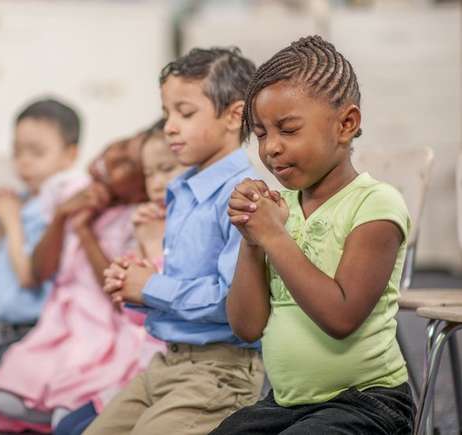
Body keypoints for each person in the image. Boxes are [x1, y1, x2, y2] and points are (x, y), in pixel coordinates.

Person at [212, 35, 414, 434]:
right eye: (262, 134)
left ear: (346, 124)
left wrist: (274, 237)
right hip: (286, 404)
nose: (271, 148)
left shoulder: (375, 204)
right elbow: (247, 326)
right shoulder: (280, 208)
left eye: (287, 129)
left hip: (367, 402)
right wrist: (252, 240)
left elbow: (341, 317)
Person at [92, 47, 264, 435]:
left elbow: (234, 303)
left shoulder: (242, 194)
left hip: (220, 371)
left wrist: (150, 286)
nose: (169, 126)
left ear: (234, 115)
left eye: (185, 114)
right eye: (168, 112)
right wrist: (134, 281)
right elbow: (179, 277)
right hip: (166, 363)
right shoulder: (182, 188)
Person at [0, 131, 151, 433]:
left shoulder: (135, 218)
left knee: (67, 408)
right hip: (59, 320)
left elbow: (116, 290)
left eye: (125, 164)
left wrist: (85, 232)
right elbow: (40, 271)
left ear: (142, 185)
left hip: (102, 325)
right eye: (117, 146)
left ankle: (68, 413)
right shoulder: (70, 191)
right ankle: (53, 413)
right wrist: (61, 217)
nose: (110, 160)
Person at [0, 98, 80, 418]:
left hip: (36, 329)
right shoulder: (15, 201)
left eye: (36, 152)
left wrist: (12, 222)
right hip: (1, 330)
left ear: (69, 155)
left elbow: (29, 276)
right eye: (17, 151)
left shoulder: (58, 210)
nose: (24, 162)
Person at [54, 120, 187, 435]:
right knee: (65, 427)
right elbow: (132, 310)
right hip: (146, 360)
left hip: (176, 365)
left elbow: (166, 297)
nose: (155, 183)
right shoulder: (145, 220)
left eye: (166, 169)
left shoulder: (187, 226)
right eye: (150, 172)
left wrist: (152, 247)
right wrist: (129, 271)